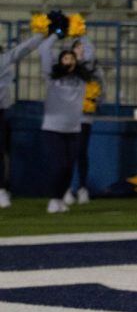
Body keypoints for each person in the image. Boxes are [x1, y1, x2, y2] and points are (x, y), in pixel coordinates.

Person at [40, 14, 93, 214]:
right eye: (65, 57)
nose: (68, 60)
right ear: (60, 61)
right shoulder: (52, 78)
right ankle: (54, 199)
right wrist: (57, 35)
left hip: (73, 128)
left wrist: (80, 33)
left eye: (71, 57)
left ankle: (61, 197)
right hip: (53, 128)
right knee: (61, 165)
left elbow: (90, 52)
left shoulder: (81, 78)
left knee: (69, 167)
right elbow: (45, 50)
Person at [0, 27, 47, 208]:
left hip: (0, 112)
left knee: (0, 152)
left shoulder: (4, 59)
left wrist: (41, 35)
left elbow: (24, 49)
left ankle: (2, 190)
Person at [64, 35, 104, 206]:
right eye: (77, 47)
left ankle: (81, 188)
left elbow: (101, 91)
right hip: (67, 116)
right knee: (67, 154)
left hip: (84, 116)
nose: (80, 50)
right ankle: (65, 188)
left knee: (81, 152)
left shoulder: (94, 70)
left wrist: (94, 100)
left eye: (83, 47)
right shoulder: (66, 68)